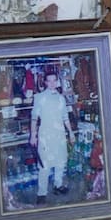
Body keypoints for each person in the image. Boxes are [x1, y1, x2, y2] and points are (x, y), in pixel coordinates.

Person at [30, 71, 74, 203]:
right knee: (44, 165)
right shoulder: (39, 97)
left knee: (61, 162)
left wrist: (71, 132)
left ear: (57, 81)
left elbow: (65, 117)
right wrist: (33, 135)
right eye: (49, 80)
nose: (52, 83)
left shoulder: (61, 98)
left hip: (60, 135)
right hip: (45, 136)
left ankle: (58, 185)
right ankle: (42, 193)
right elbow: (34, 118)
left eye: (54, 80)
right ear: (45, 82)